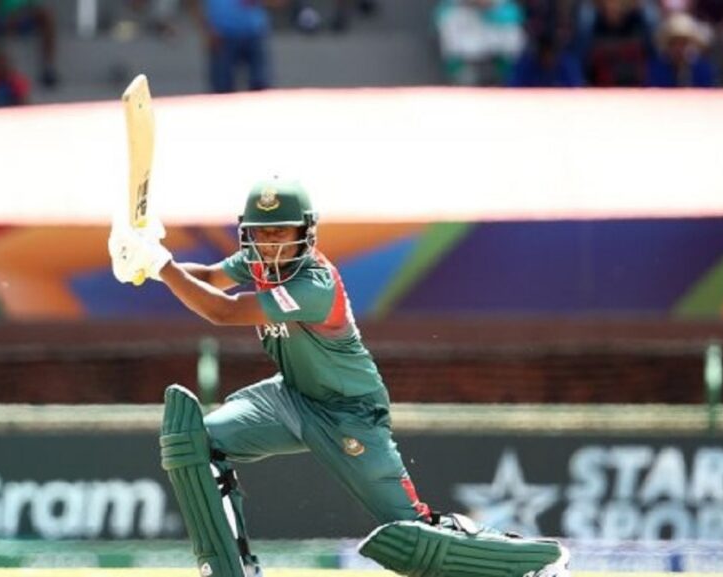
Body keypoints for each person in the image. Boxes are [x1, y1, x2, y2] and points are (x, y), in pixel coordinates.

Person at [108, 178, 572, 577]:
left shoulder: (314, 283)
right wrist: (148, 266)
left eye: (281, 232)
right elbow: (210, 278)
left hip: (350, 412)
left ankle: (533, 562)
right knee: (195, 443)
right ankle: (233, 569)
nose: (270, 243)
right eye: (261, 233)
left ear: (306, 234)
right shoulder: (255, 261)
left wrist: (161, 265)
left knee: (413, 534)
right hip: (290, 397)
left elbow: (222, 310)